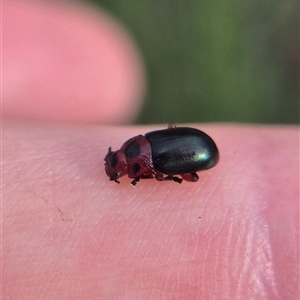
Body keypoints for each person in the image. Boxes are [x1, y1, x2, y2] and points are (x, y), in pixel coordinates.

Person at [3, 1, 299, 299]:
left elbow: (152, 170)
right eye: (119, 163)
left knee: (164, 174)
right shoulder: (141, 147)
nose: (119, 164)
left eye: (119, 164)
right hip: (189, 145)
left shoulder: (146, 160)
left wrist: (158, 176)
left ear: (132, 162)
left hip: (197, 150)